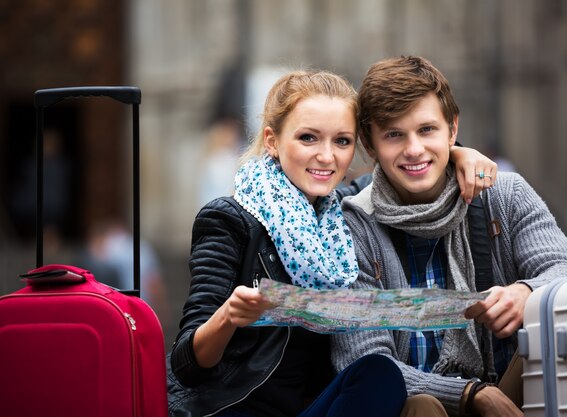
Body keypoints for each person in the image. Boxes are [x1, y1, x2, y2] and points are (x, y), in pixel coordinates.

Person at [167, 69, 498, 417]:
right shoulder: (229, 220)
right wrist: (229, 318)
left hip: (316, 408)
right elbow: (187, 364)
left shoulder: (343, 213)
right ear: (272, 141)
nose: (327, 156)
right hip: (238, 409)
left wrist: (460, 154)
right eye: (309, 138)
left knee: (380, 374)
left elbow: (407, 170)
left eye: (342, 141)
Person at [330, 56, 567, 417]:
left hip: (509, 392)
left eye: (427, 130)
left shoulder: (505, 194)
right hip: (417, 406)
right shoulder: (353, 227)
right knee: (424, 407)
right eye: (394, 134)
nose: (414, 149)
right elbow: (364, 360)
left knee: (555, 327)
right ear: (370, 144)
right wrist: (470, 394)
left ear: (452, 130)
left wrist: (528, 293)